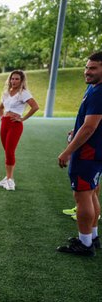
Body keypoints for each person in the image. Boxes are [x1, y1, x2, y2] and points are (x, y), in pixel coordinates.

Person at [56, 51, 102, 256]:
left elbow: (90, 127)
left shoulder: (99, 92)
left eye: (93, 68)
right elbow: (88, 123)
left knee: (82, 195)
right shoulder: (94, 88)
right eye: (86, 67)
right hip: (93, 151)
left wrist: (67, 151)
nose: (87, 71)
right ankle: (92, 237)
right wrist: (76, 130)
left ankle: (85, 245)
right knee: (90, 193)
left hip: (88, 153)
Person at [0, 70, 39, 191]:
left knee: (10, 151)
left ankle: (10, 180)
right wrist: (1, 118)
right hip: (5, 123)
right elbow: (0, 107)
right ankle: (7, 178)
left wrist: (23, 118)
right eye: (12, 79)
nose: (13, 81)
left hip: (15, 125)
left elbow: (35, 107)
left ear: (21, 81)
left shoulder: (23, 93)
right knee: (6, 151)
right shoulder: (6, 93)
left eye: (17, 79)